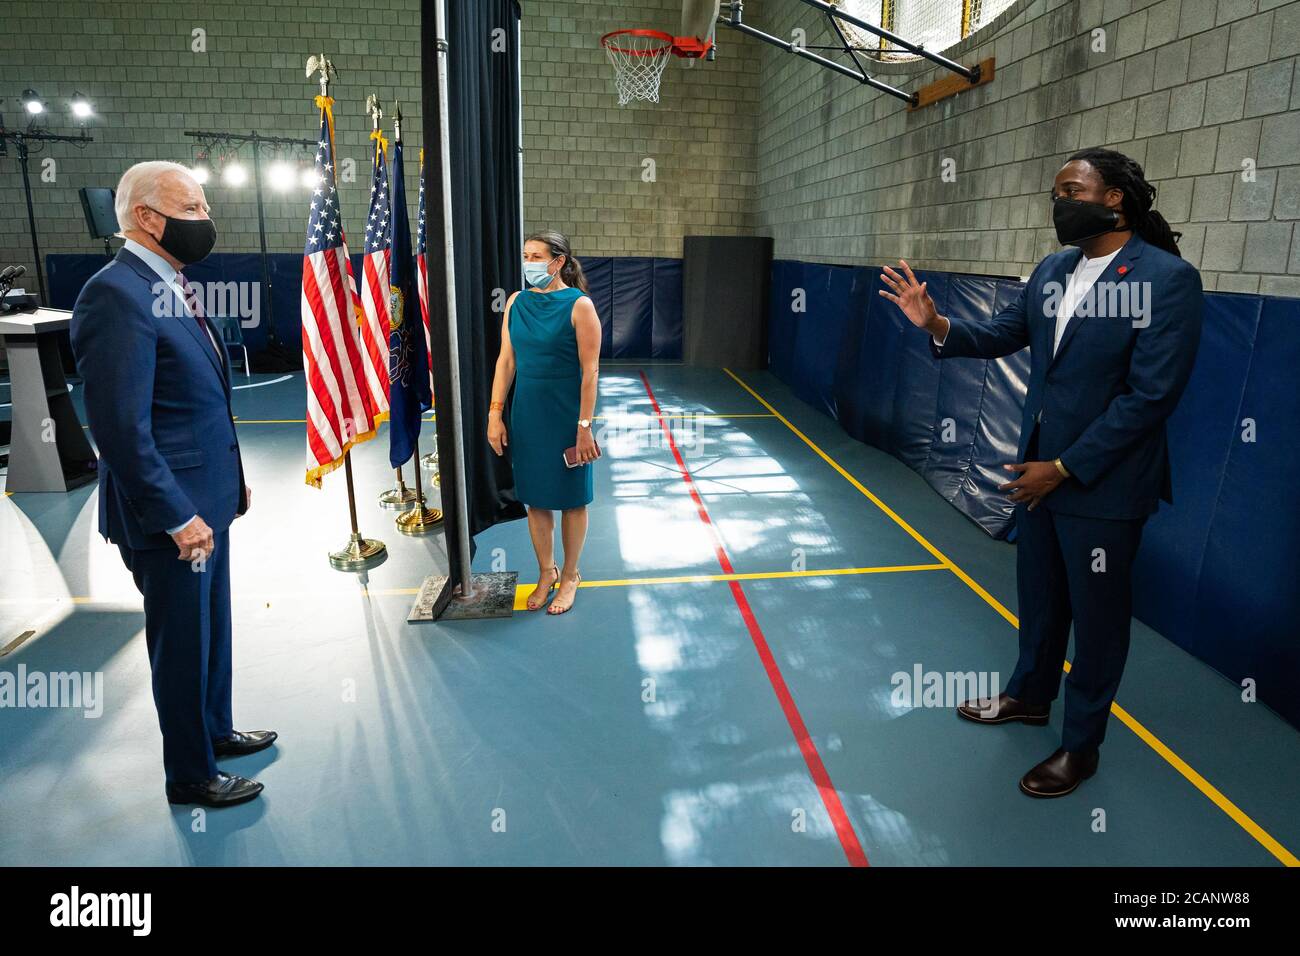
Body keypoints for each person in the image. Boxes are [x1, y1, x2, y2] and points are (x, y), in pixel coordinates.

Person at [880, 148, 1202, 797]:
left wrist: (1062, 468)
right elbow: (1002, 332)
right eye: (1055, 192)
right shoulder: (1054, 268)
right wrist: (935, 322)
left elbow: (1150, 397)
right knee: (1041, 599)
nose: (1059, 202)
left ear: (1114, 198)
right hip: (1039, 475)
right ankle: (1029, 696)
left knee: (1098, 619)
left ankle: (1080, 747)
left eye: (1072, 190)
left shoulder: (1167, 280)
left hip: (1101, 486)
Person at [69, 161, 276, 808]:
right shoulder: (116, 293)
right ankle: (190, 774)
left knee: (212, 628)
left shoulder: (170, 284)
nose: (206, 219)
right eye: (192, 207)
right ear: (147, 218)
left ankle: (214, 731)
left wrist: (228, 485)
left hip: (206, 501)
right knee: (181, 645)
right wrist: (177, 514)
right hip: (172, 515)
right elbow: (121, 430)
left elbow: (198, 400)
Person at [487, 230, 602, 614]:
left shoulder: (579, 305)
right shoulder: (517, 303)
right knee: (535, 499)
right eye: (525, 255)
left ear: (559, 262)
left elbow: (590, 371)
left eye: (537, 256)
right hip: (528, 414)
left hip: (567, 415)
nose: (529, 263)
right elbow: (507, 361)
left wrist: (584, 426)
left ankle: (570, 575)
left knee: (572, 499)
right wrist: (495, 413)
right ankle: (546, 572)